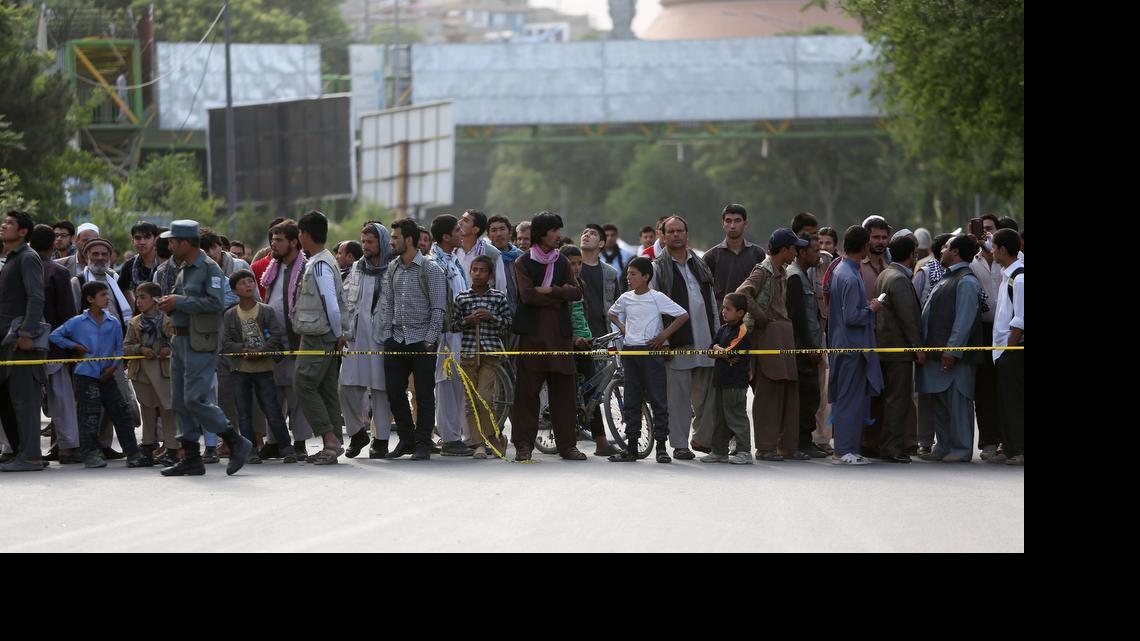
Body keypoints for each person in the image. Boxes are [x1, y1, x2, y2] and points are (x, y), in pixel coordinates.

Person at [155, 220, 253, 477]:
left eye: (173, 241)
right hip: (180, 340)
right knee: (179, 401)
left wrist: (179, 301)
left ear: (185, 243)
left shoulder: (209, 269)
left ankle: (235, 440)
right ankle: (191, 458)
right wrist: (169, 303)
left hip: (201, 343)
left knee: (194, 399)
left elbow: (215, 302)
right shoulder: (184, 268)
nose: (170, 245)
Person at [510, 211, 588, 461]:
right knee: (527, 394)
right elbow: (528, 296)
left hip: (560, 336)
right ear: (541, 233)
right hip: (533, 336)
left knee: (564, 394)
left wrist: (550, 290)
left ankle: (567, 445)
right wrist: (558, 295)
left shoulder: (562, 261)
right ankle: (523, 445)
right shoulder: (523, 262)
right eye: (554, 230)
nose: (558, 235)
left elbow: (576, 292)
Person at [50, 280, 150, 468]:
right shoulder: (77, 322)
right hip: (86, 375)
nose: (107, 298)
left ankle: (132, 452)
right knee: (89, 415)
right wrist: (74, 346)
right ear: (90, 299)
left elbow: (119, 349)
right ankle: (90, 453)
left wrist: (112, 367)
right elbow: (55, 335)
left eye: (107, 294)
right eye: (103, 295)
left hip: (107, 374)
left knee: (120, 413)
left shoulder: (112, 322)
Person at [735, 228, 809, 461]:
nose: (797, 252)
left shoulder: (783, 271)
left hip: (784, 336)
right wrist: (760, 315)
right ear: (784, 249)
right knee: (769, 393)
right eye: (794, 247)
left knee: (789, 392)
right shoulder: (762, 271)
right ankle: (766, 447)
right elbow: (741, 294)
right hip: (768, 336)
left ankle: (788, 446)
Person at [377, 217, 447, 460]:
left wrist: (429, 341)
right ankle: (406, 439)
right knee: (394, 390)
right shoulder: (393, 267)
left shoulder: (431, 269)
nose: (391, 242)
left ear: (408, 240)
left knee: (425, 394)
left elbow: (439, 309)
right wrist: (388, 336)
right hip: (396, 338)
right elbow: (389, 305)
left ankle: (423, 443)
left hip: (422, 341)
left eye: (395, 237)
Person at [607, 256, 689, 463]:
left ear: (646, 276)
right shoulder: (626, 298)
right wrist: (624, 328)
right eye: (627, 274)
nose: (629, 278)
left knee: (658, 399)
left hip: (650, 353)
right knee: (632, 399)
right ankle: (632, 447)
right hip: (630, 351)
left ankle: (661, 447)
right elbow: (611, 313)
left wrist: (663, 336)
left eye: (633, 274)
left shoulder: (656, 297)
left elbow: (682, 315)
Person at [653, 216, 718, 458]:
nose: (676, 235)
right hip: (677, 341)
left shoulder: (700, 264)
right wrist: (664, 340)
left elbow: (711, 302)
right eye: (671, 231)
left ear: (686, 234)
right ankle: (679, 445)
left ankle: (702, 439)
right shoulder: (657, 267)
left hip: (705, 340)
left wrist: (717, 336)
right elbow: (655, 307)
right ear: (663, 235)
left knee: (707, 397)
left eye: (680, 230)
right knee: (678, 399)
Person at [917, 234, 984, 463]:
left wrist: (952, 351)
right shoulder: (948, 278)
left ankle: (961, 449)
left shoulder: (966, 281)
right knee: (940, 404)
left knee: (958, 403)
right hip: (936, 356)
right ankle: (943, 445)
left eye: (946, 247)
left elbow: (963, 322)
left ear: (955, 252)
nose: (941, 250)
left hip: (954, 359)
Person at [222, 269, 299, 464]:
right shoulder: (230, 314)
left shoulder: (266, 311)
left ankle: (286, 448)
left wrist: (262, 350)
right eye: (242, 283)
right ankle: (251, 450)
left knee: (272, 409)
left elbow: (275, 336)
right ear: (234, 291)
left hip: (264, 369)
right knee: (243, 412)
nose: (248, 285)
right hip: (240, 370)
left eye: (250, 281)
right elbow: (226, 343)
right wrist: (243, 349)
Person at [291, 211, 349, 465]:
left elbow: (332, 304)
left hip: (319, 335)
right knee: (326, 389)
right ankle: (333, 441)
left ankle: (330, 438)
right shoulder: (322, 260)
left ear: (304, 234)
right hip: (323, 333)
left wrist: (338, 334)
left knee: (303, 383)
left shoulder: (321, 264)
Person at [827, 225, 884, 465]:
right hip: (851, 347)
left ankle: (846, 447)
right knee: (849, 399)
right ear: (863, 247)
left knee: (848, 397)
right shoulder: (849, 275)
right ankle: (844, 449)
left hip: (845, 343)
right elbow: (852, 317)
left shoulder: (843, 270)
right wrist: (873, 308)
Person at [258, 219, 313, 460]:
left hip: (296, 339)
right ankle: (274, 440)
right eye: (272, 239)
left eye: (279, 240)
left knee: (296, 393)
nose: (274, 244)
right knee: (273, 393)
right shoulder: (273, 268)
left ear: (294, 242)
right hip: (272, 340)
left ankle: (299, 441)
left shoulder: (305, 268)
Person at [340, 222, 394, 460]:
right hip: (356, 336)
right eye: (363, 242)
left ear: (381, 242)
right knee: (346, 387)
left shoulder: (393, 267)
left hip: (382, 337)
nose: (365, 246)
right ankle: (356, 433)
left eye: (370, 242)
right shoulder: (356, 267)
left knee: (381, 389)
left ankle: (381, 440)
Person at [561, 244, 621, 457]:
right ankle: (569, 442)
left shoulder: (581, 284)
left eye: (579, 263)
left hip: (586, 342)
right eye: (572, 264)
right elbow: (560, 320)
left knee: (592, 392)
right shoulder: (560, 286)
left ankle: (601, 442)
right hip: (567, 345)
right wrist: (573, 338)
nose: (577, 268)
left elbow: (583, 316)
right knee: (568, 393)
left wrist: (588, 337)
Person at [29, 224, 81, 465]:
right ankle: (68, 447)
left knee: (26, 399)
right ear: (53, 245)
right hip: (55, 346)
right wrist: (71, 345)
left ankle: (20, 447)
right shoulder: (57, 273)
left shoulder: (15, 267)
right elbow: (68, 315)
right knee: (61, 398)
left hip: (24, 345)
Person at [0, 211, 48, 472]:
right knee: (7, 398)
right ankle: (21, 452)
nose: (3, 225)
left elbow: (36, 297)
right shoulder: (10, 259)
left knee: (25, 400)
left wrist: (27, 333)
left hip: (21, 341)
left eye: (9, 223)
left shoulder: (28, 258)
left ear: (23, 232)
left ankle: (30, 457)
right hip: (7, 341)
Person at [452, 255, 513, 459]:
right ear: (470, 272)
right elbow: (452, 325)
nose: (478, 274)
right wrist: (468, 320)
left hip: (490, 354)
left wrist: (491, 317)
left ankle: (493, 438)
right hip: (468, 354)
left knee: (485, 398)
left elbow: (507, 324)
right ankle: (478, 444)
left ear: (490, 275)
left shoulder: (497, 297)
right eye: (474, 270)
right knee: (471, 401)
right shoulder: (462, 298)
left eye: (482, 271)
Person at [872, 235, 924, 463]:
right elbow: (908, 319)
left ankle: (886, 444)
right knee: (897, 400)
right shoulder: (900, 279)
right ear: (912, 254)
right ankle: (892, 447)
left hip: (884, 347)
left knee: (888, 400)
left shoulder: (885, 274)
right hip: (898, 351)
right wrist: (918, 347)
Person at [428, 214, 476, 457]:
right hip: (445, 336)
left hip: (459, 333)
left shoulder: (453, 261)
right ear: (446, 236)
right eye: (457, 229)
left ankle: (455, 435)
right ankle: (449, 438)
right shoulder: (435, 263)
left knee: (457, 386)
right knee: (446, 386)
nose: (461, 232)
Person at [785, 231, 829, 458]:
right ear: (801, 253)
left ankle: (805, 440)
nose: (818, 256)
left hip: (808, 346)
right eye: (814, 251)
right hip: (803, 349)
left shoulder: (803, 275)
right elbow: (798, 319)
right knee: (807, 396)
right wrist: (809, 348)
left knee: (811, 396)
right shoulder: (794, 277)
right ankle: (802, 441)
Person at [123, 282, 175, 468]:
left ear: (155, 300)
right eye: (137, 297)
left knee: (168, 410)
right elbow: (126, 347)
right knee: (147, 410)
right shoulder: (135, 323)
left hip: (164, 373)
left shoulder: (168, 320)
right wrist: (140, 348)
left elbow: (177, 342)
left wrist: (167, 348)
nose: (138, 301)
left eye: (142, 297)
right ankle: (147, 448)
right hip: (142, 374)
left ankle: (172, 448)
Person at [699, 293, 752, 465]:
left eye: (728, 309)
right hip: (720, 380)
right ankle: (719, 451)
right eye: (723, 308)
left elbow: (728, 352)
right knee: (719, 418)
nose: (724, 312)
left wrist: (718, 350)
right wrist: (718, 350)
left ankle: (744, 451)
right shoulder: (722, 329)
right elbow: (710, 350)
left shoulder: (742, 331)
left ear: (740, 312)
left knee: (736, 417)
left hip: (736, 382)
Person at [969, 214, 1002, 461]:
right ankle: (988, 441)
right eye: (982, 230)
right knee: (984, 387)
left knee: (1006, 386)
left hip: (1009, 332)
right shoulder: (971, 260)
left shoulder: (1011, 259)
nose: (985, 234)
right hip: (981, 330)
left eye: (990, 230)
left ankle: (1009, 440)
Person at [990, 228, 1023, 465]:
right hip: (1001, 351)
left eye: (994, 248)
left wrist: (1008, 351)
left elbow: (1019, 321)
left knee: (1014, 402)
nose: (991, 252)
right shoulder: (1007, 276)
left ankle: (1018, 449)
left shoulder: (1019, 279)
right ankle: (1011, 445)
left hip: (1012, 352)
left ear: (1002, 249)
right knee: (1006, 401)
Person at [703, 203, 766, 311]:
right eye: (728, 221)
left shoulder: (758, 253)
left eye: (737, 221)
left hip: (751, 317)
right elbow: (704, 293)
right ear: (722, 223)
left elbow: (764, 289)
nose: (732, 226)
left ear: (745, 223)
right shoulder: (711, 256)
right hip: (722, 318)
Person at [578, 224, 621, 338]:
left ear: (601, 243)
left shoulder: (610, 273)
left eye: (592, 233)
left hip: (601, 334)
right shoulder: (569, 267)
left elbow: (617, 306)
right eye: (585, 232)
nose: (586, 235)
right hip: (574, 333)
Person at [118, 221, 160, 311]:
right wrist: (135, 308)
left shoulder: (165, 263)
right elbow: (122, 289)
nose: (142, 242)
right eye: (138, 238)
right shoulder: (128, 266)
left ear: (156, 239)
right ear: (133, 241)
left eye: (147, 237)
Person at [488, 214, 522, 315]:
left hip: (520, 315)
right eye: (494, 230)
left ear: (510, 232)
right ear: (489, 235)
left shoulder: (521, 257)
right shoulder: (486, 258)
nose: (498, 234)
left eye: (502, 229)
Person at [861, 216, 891, 300]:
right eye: (876, 237)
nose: (881, 241)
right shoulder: (857, 266)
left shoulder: (890, 266)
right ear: (866, 238)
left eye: (884, 237)